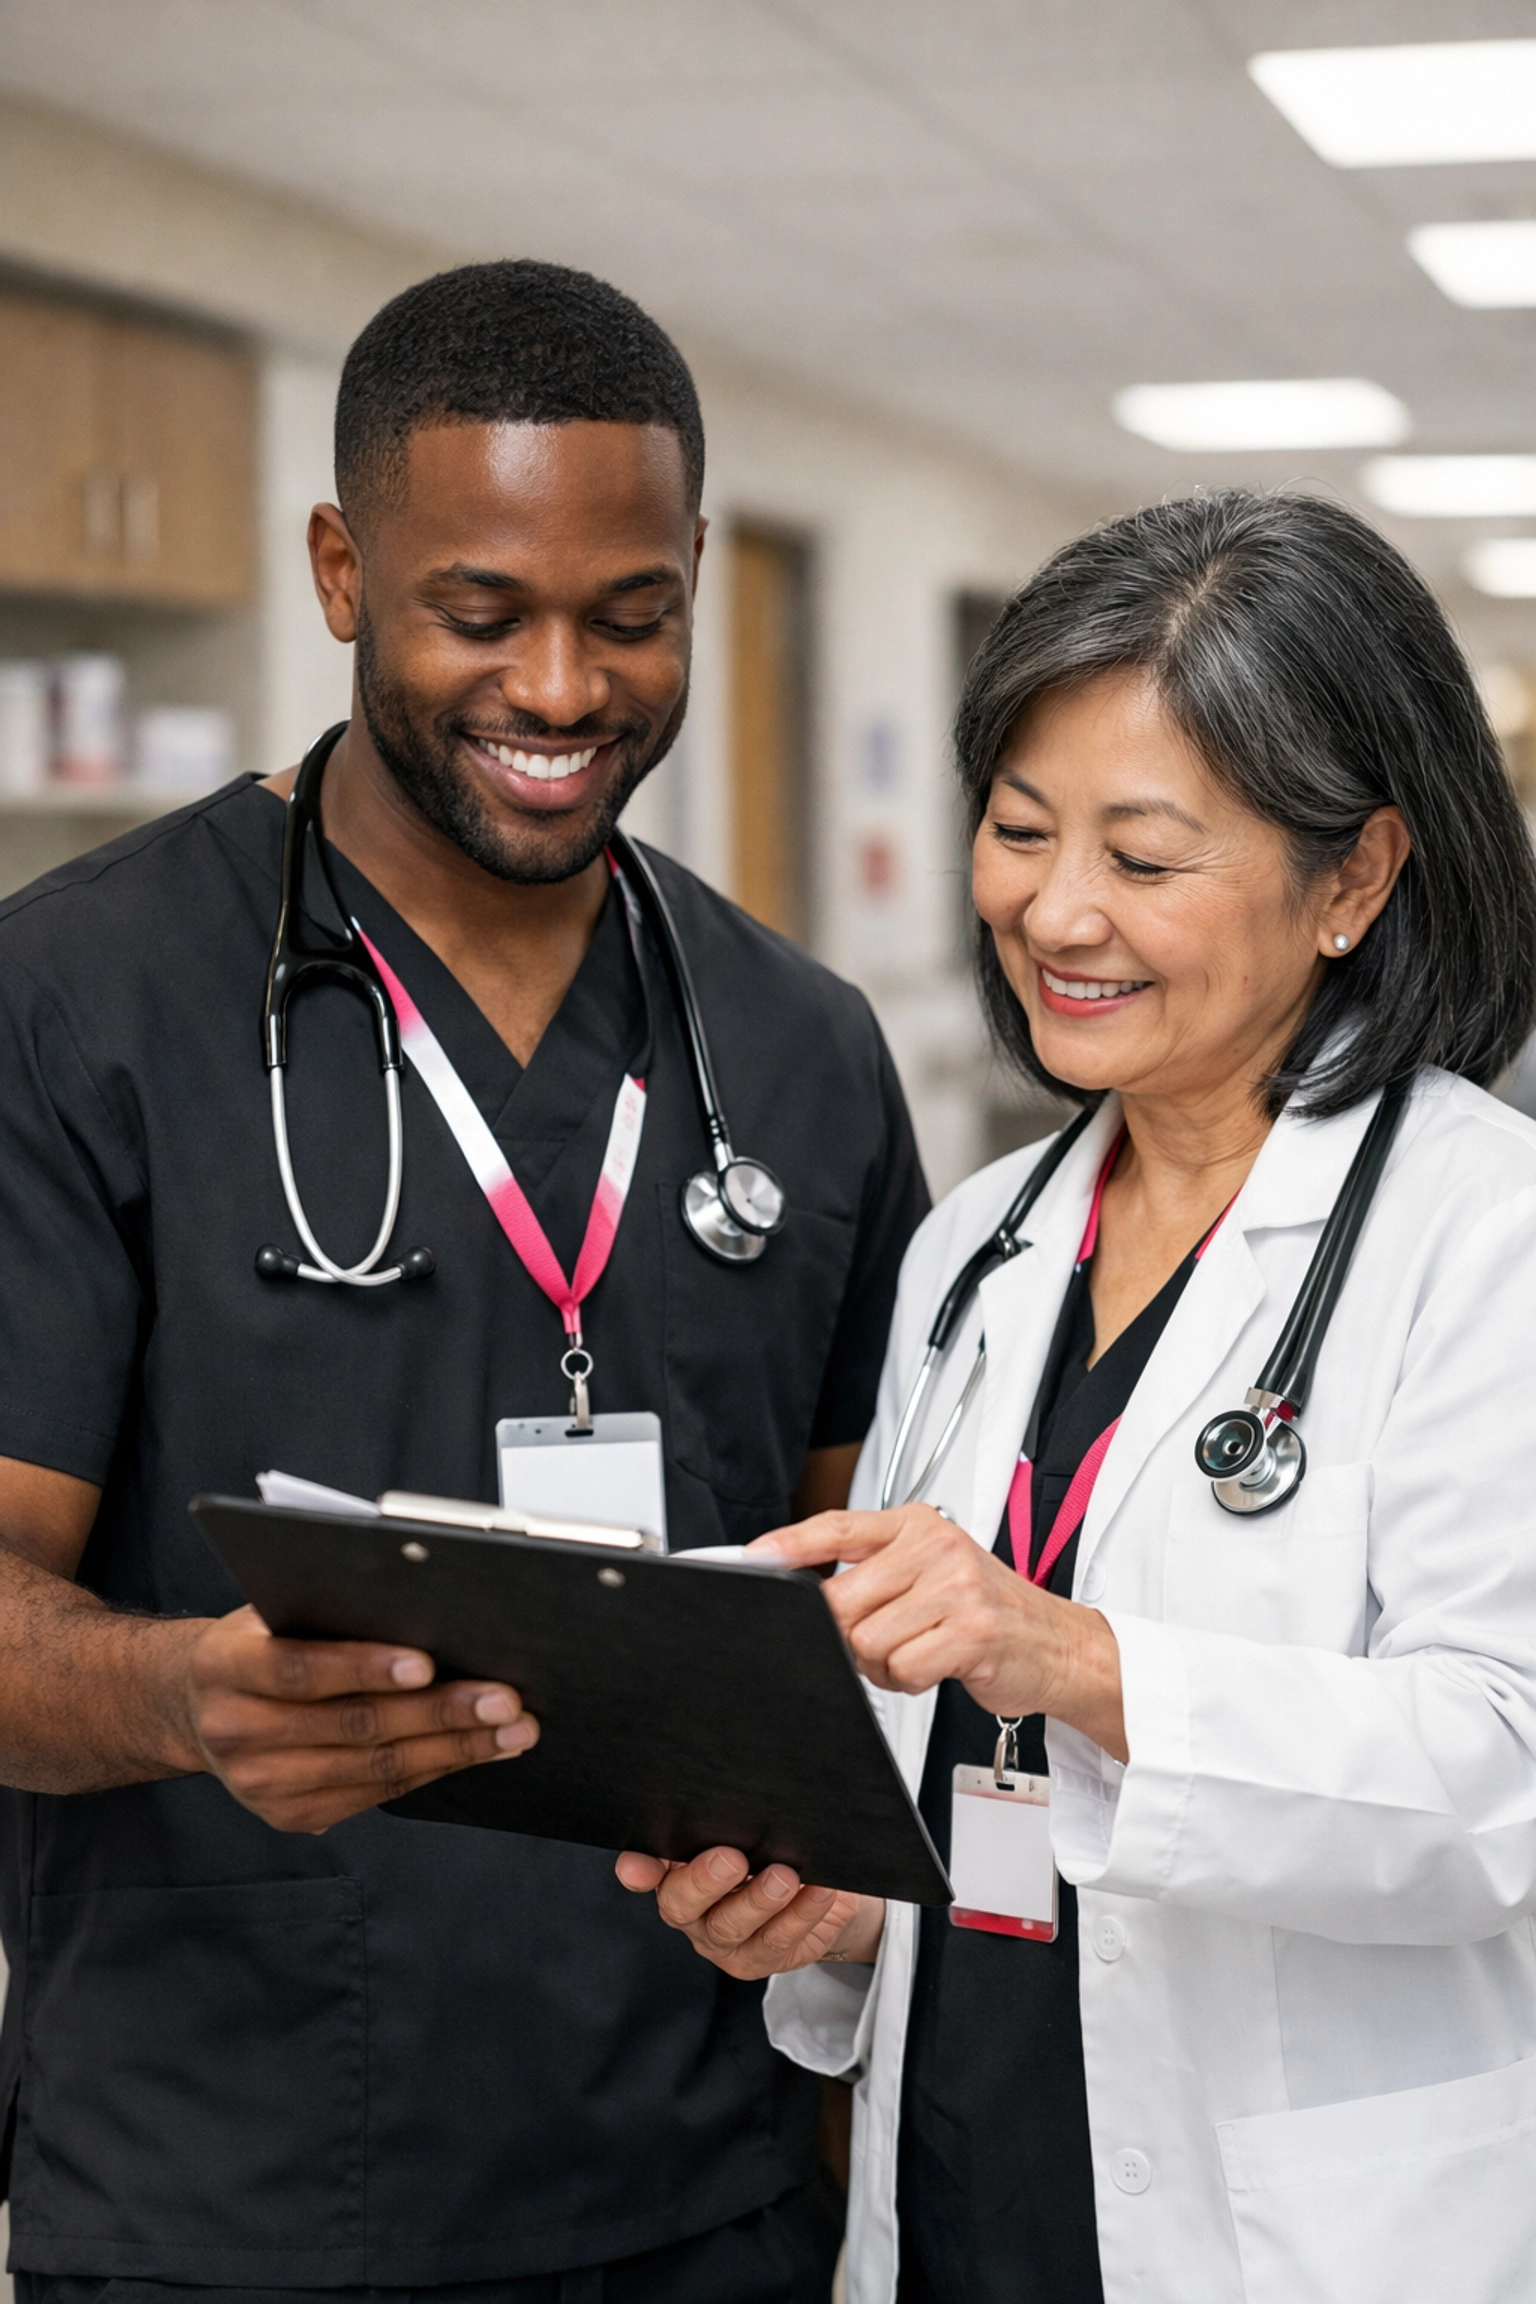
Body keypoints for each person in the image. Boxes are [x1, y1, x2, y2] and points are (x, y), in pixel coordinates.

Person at [0, 260, 928, 2303]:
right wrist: (184, 1694)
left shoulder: (796, 1044)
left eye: (629, 614)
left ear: (691, 573)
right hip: (234, 2188)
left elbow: (877, 1600)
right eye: (479, 613)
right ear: (341, 570)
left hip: (711, 2177)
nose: (562, 691)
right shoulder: (81, 1001)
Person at [621, 489, 1536, 2304]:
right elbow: (948, 1755)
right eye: (1023, 829)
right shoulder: (977, 1245)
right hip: (972, 2165)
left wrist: (1074, 1658)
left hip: (1300, 2232)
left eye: (1144, 851)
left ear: (1353, 877)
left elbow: (1499, 1778)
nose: (1057, 909)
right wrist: (824, 1914)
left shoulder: (1484, 1234)